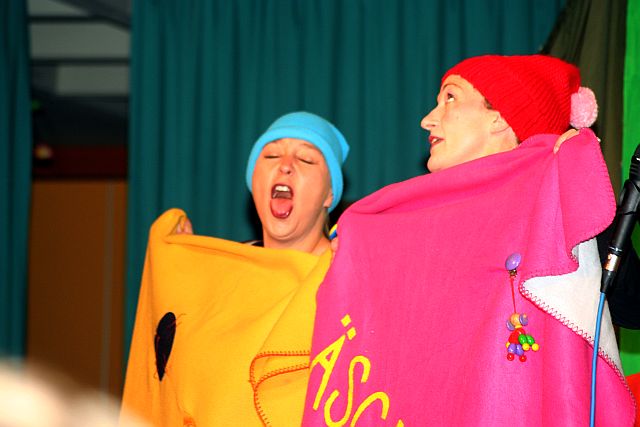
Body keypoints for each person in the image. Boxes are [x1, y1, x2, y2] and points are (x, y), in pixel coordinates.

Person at [303, 55, 635, 426]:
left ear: (500, 117)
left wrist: (577, 191)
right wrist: (356, 258)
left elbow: (632, 307)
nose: (428, 120)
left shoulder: (554, 194)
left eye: (450, 98)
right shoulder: (413, 226)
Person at [121, 112, 349, 426]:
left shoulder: (346, 276)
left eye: (306, 159)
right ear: (254, 182)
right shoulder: (220, 280)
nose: (285, 165)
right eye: (271, 155)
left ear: (329, 194)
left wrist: (350, 270)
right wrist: (186, 272)